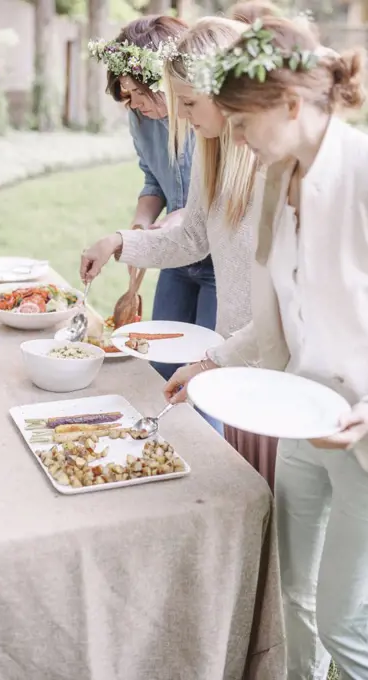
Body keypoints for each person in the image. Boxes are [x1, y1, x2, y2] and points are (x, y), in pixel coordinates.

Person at [181, 15, 368, 679]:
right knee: (294, 596)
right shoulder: (271, 186)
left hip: (361, 437)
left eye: (241, 122)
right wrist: (211, 361)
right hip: (300, 414)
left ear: (291, 106)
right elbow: (271, 323)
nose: (233, 137)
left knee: (349, 625)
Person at [82, 16, 259, 439]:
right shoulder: (209, 147)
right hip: (229, 332)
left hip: (262, 355)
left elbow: (278, 308)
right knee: (169, 371)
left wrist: (217, 359)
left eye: (188, 103)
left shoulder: (264, 169)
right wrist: (122, 240)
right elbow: (193, 233)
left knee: (216, 403)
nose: (178, 113)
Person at [88, 16, 217, 382]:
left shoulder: (205, 120)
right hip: (173, 257)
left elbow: (216, 201)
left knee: (203, 376)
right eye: (123, 95)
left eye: (134, 93)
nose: (130, 104)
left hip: (218, 264)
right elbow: (154, 181)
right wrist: (141, 227)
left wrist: (174, 222)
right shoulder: (141, 119)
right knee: (160, 364)